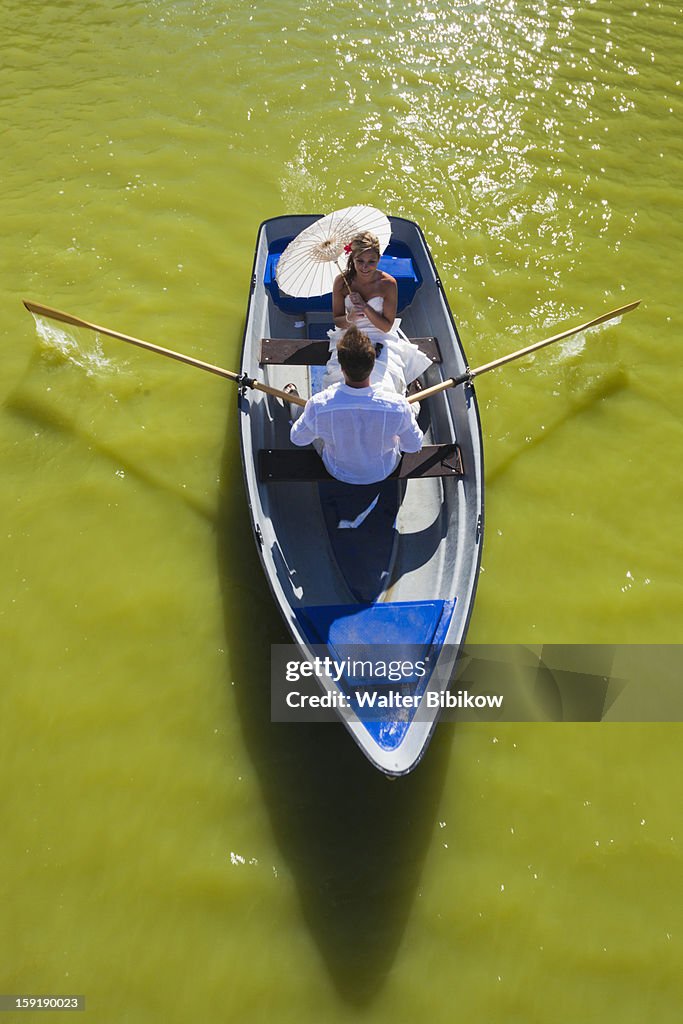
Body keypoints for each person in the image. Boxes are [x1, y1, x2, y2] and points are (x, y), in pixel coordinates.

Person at [288, 326, 423, 485]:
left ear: (342, 369)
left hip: (337, 470)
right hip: (382, 470)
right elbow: (413, 446)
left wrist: (324, 431)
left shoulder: (318, 404)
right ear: (373, 365)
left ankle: (291, 397)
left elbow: (297, 439)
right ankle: (413, 394)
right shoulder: (399, 406)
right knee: (412, 409)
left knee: (307, 417)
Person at [326, 231, 432, 394]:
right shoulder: (341, 282)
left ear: (379, 259)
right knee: (341, 383)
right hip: (349, 336)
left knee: (385, 384)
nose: (364, 267)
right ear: (352, 258)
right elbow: (338, 321)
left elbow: (386, 327)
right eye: (359, 261)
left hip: (380, 335)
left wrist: (365, 307)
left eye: (371, 262)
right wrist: (350, 318)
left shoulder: (388, 284)